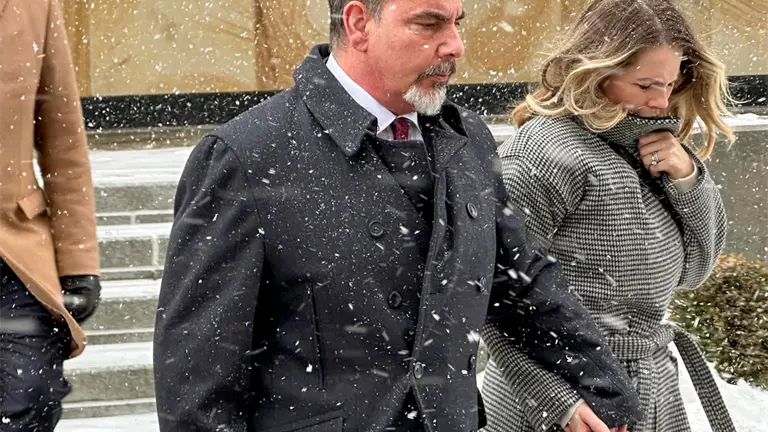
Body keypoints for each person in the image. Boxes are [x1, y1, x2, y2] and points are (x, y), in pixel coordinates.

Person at [153, 0, 643, 431]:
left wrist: (607, 391)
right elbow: (197, 379)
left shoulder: (468, 140)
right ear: (358, 24)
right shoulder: (248, 155)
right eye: (429, 24)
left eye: (456, 23)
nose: (454, 45)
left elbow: (520, 282)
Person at [481, 0, 736, 431]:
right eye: (645, 85)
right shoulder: (543, 153)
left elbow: (696, 270)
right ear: (596, 73)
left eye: (670, 83)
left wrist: (689, 180)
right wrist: (559, 403)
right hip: (562, 400)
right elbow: (490, 294)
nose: (661, 100)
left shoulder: (655, 147)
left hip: (651, 389)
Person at [0, 0, 102, 429]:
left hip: (14, 253)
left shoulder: (34, 5)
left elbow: (63, 143)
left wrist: (79, 262)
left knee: (30, 393)